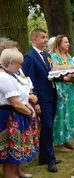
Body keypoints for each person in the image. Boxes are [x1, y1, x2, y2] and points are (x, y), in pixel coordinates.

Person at [23, 28, 60, 173]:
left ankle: (44, 157)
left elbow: (50, 72)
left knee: (47, 128)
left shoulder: (46, 55)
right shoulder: (30, 57)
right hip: (41, 98)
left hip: (51, 95)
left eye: (46, 37)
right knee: (48, 126)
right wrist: (35, 102)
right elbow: (28, 81)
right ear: (34, 39)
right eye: (43, 37)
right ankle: (50, 160)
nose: (46, 40)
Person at [0, 48, 37, 178]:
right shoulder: (4, 77)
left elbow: (22, 96)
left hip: (16, 114)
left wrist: (28, 108)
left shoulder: (11, 75)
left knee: (18, 145)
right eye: (18, 63)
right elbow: (15, 102)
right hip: (8, 116)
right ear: (10, 63)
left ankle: (17, 171)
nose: (21, 66)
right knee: (10, 148)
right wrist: (29, 112)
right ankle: (10, 175)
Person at [50, 35, 74, 152]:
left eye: (68, 42)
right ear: (59, 44)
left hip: (71, 89)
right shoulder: (53, 56)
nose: (68, 44)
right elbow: (54, 71)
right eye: (66, 42)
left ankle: (66, 139)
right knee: (61, 114)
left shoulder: (68, 56)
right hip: (62, 88)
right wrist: (66, 75)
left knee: (70, 113)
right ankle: (58, 143)